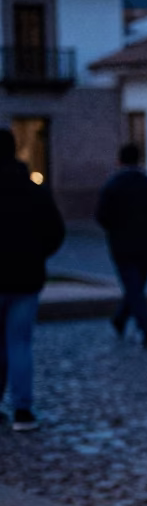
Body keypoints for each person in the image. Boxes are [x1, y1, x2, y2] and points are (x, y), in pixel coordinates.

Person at [0, 128, 65, 431]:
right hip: (26, 277)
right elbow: (55, 232)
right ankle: (22, 411)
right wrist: (36, 254)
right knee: (20, 344)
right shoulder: (33, 190)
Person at [95, 143, 147, 350]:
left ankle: (137, 325)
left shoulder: (113, 185)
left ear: (120, 161)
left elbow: (102, 215)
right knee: (137, 286)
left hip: (122, 244)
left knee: (133, 287)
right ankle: (139, 325)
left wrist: (116, 229)